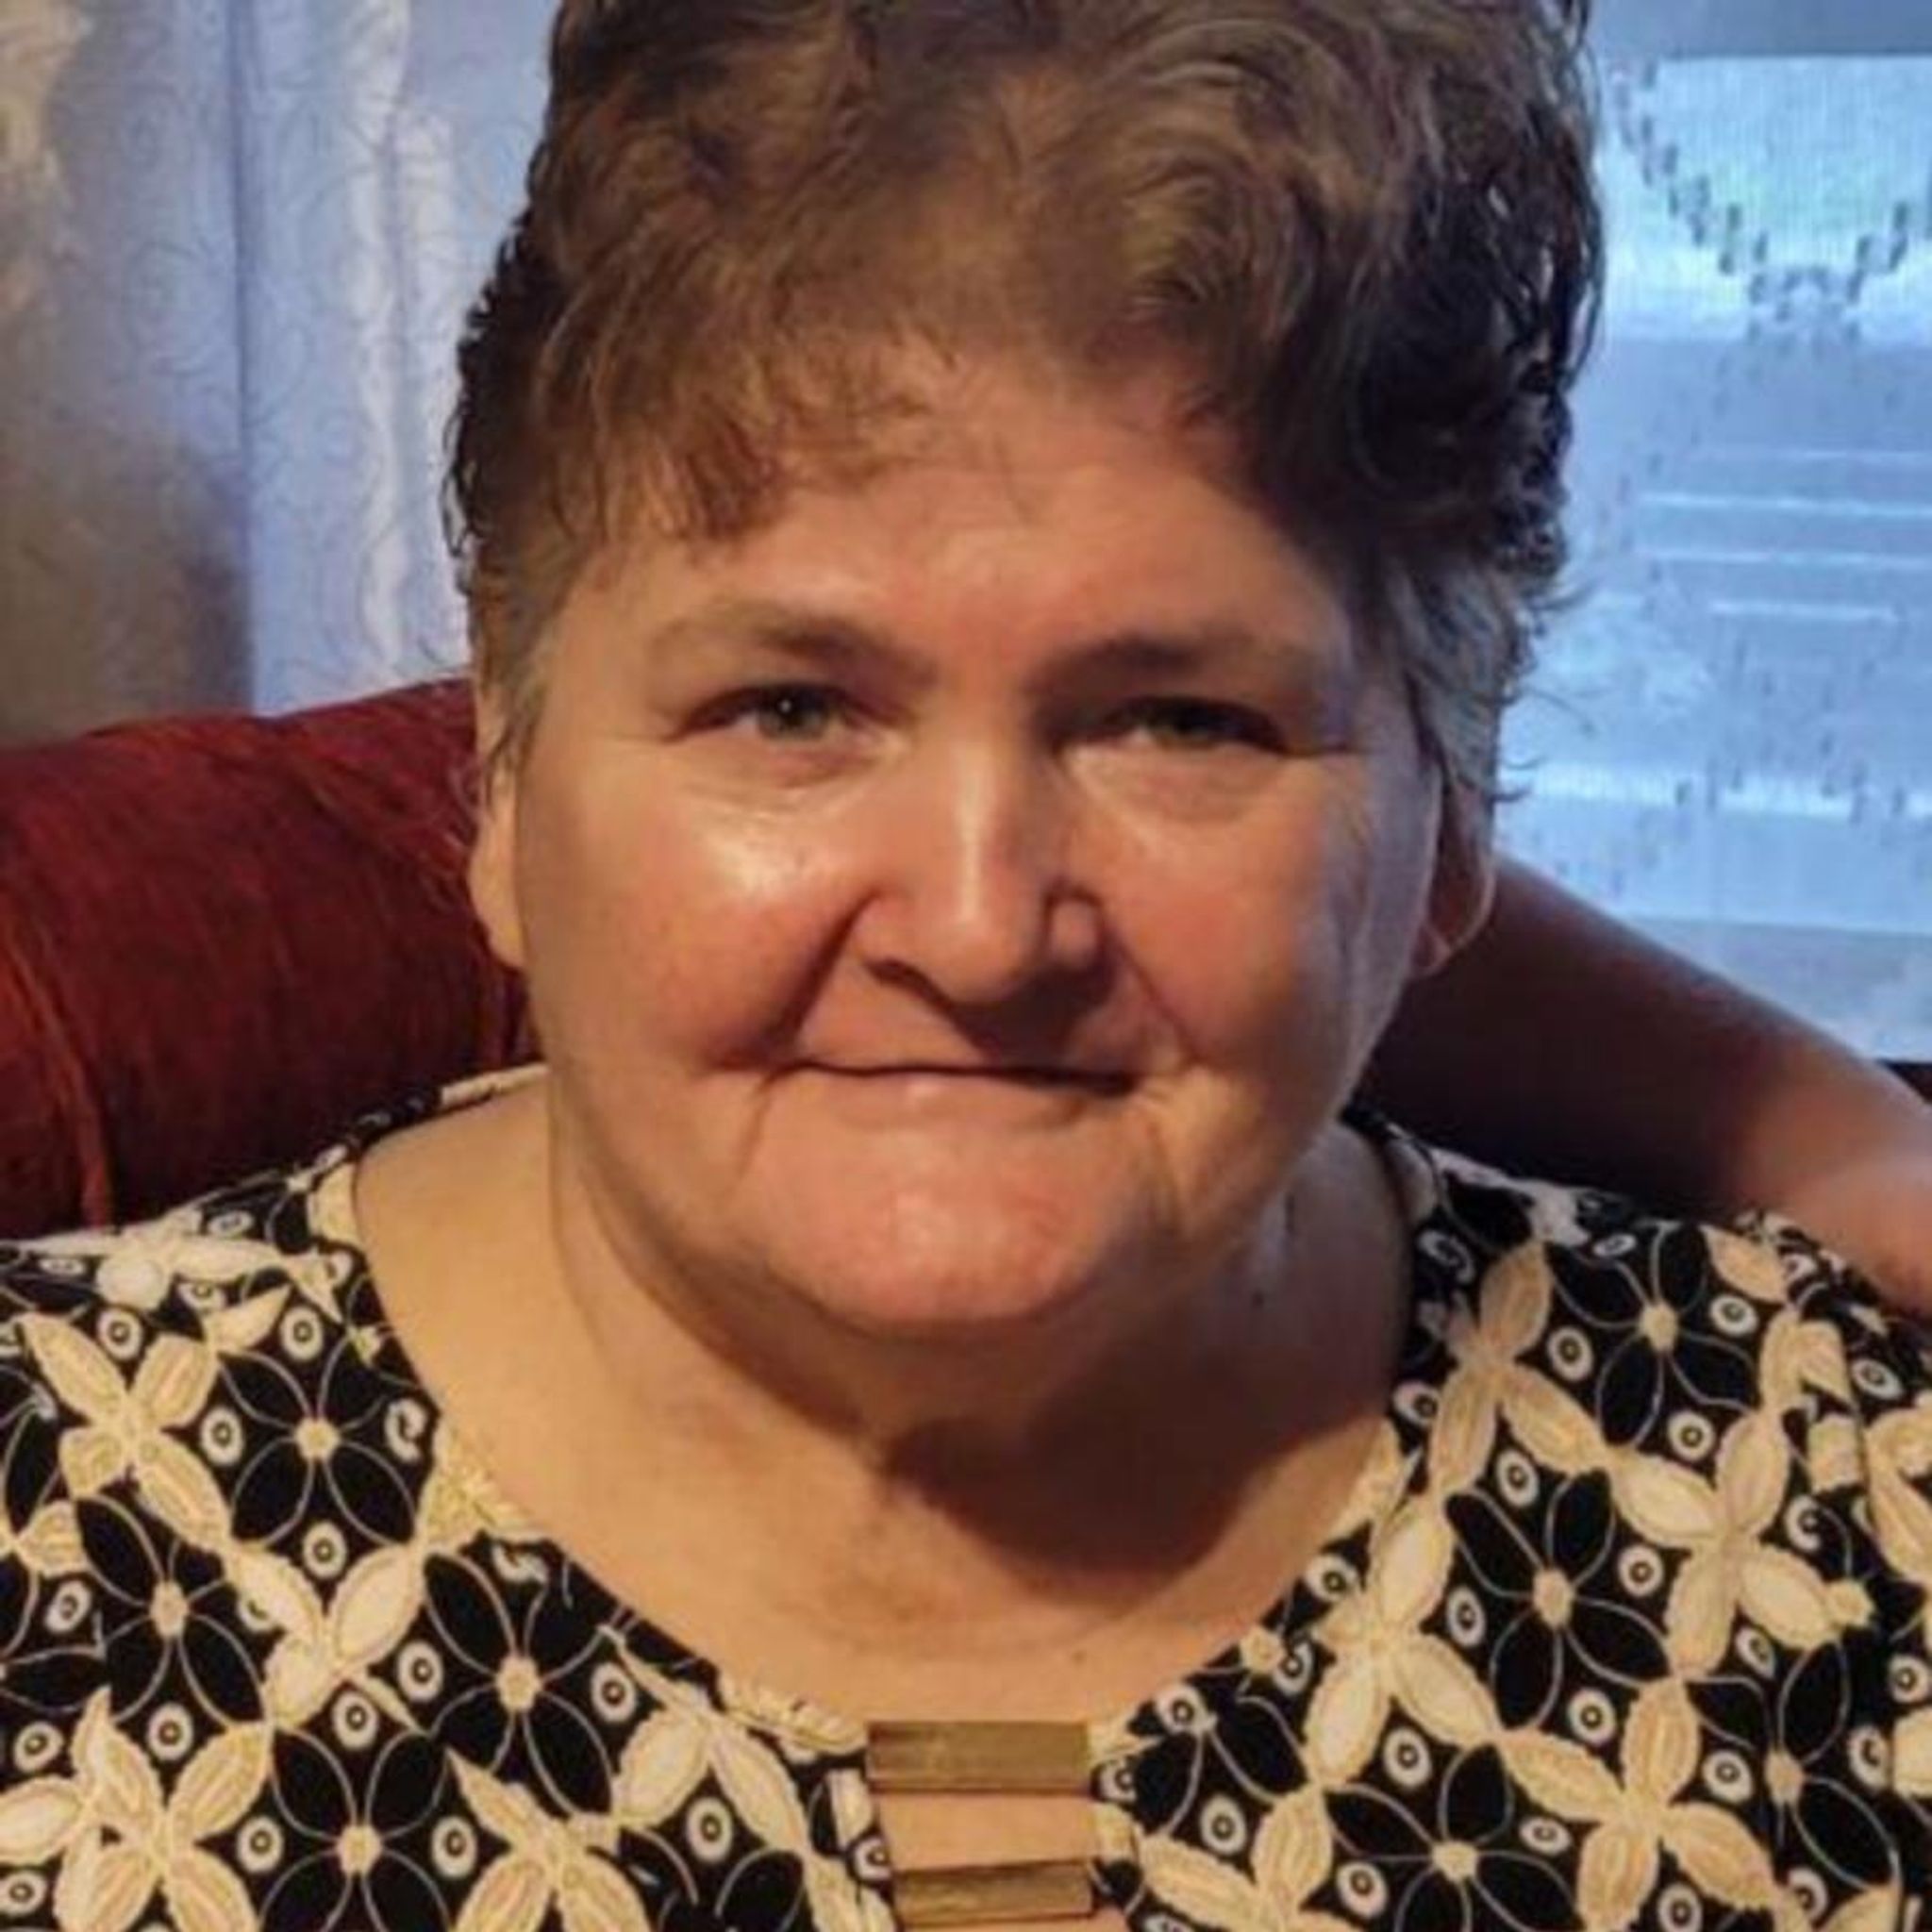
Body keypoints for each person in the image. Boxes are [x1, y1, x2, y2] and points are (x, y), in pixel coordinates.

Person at [0, 4, 1926, 1929]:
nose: (982, 929)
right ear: (500, 761)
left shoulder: (1843, 1492)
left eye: (1181, 722)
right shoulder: (48, 1518)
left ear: (1454, 811)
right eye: (790, 707)